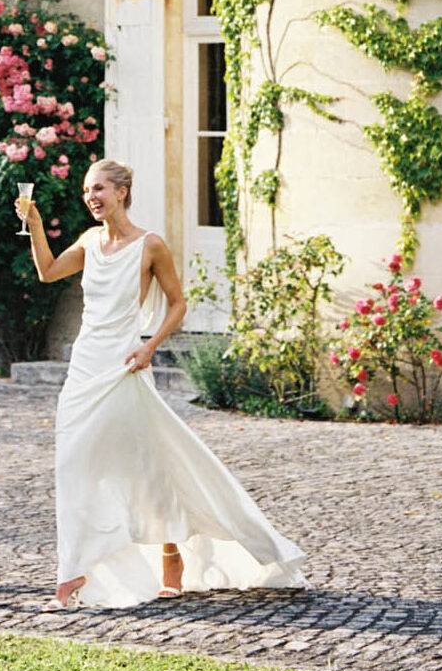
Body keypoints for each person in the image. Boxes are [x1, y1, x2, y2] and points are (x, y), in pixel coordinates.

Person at [20, 157, 305, 609]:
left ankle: (171, 554)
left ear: (122, 192)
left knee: (143, 463)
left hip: (125, 364)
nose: (91, 198)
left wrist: (149, 347)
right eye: (86, 192)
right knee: (75, 464)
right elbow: (48, 271)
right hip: (84, 367)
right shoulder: (90, 241)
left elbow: (177, 304)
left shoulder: (150, 245)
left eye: (99, 189)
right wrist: (34, 223)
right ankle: (73, 571)